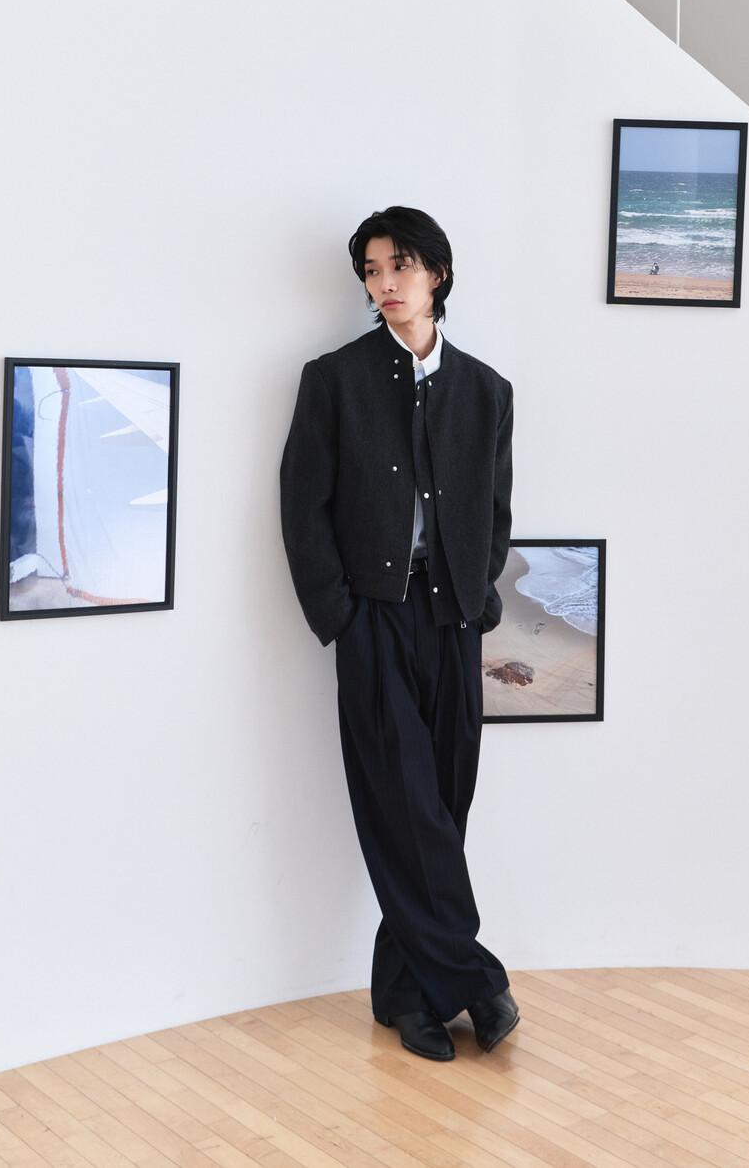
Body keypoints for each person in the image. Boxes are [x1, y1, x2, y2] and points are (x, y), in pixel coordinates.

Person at [280, 206, 519, 1062]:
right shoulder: (334, 380)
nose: (385, 283)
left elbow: (496, 512)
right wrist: (341, 616)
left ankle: (407, 996)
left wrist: (479, 598)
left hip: (453, 619)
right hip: (374, 617)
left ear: (436, 274)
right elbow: (301, 505)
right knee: (403, 805)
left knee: (439, 808)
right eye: (373, 270)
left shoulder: (487, 392)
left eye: (400, 266)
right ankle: (477, 980)